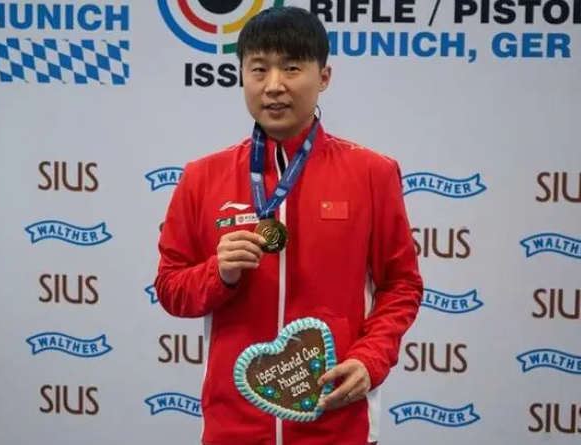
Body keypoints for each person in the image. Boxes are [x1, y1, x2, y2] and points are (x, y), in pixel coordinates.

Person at [154, 6, 423, 445]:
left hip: (338, 422)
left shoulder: (372, 172)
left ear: (324, 76)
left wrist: (370, 359)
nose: (274, 85)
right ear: (242, 75)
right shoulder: (202, 176)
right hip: (234, 426)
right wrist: (218, 274)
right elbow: (170, 288)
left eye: (292, 68)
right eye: (259, 69)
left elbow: (401, 285)